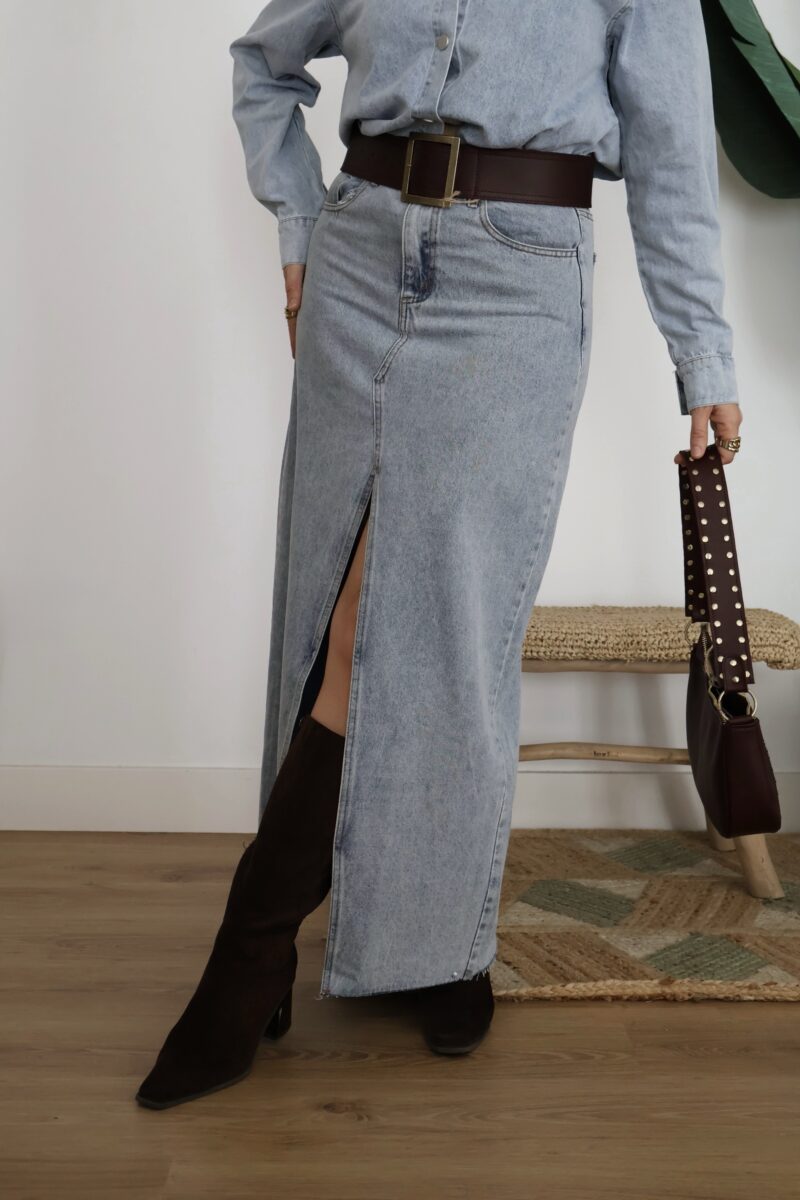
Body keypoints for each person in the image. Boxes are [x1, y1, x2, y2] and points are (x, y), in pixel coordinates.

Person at [135, 0, 743, 1110]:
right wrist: (297, 221)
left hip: (517, 279)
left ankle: (273, 952)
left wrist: (700, 352)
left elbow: (670, 150)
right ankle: (378, 948)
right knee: (328, 603)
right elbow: (263, 62)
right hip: (360, 253)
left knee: (446, 623)